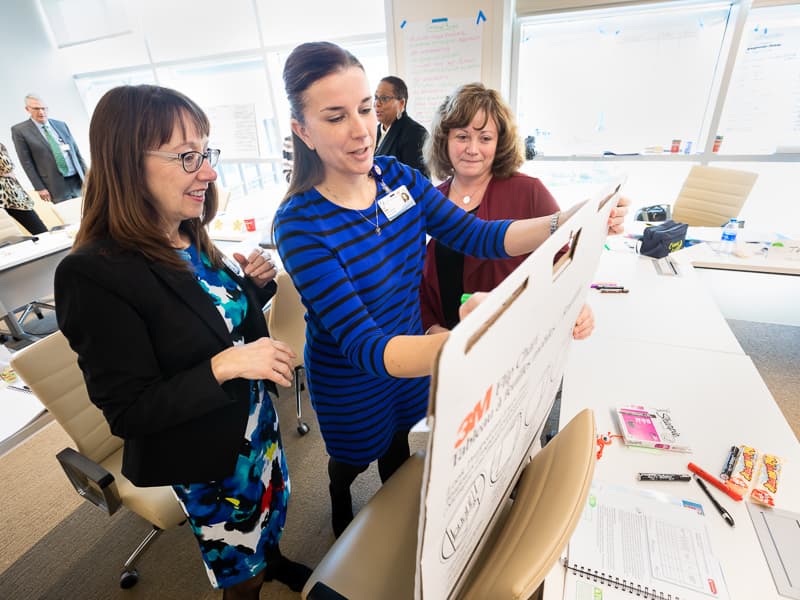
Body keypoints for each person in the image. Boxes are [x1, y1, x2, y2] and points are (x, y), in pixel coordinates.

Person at [274, 42, 627, 537]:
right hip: (355, 374)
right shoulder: (300, 224)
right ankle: (339, 502)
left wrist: (568, 220)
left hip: (413, 355)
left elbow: (479, 235)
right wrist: (483, 334)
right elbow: (363, 346)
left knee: (399, 443)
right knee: (351, 459)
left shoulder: (399, 178)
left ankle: (389, 516)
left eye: (365, 109)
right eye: (335, 117)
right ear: (302, 130)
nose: (360, 131)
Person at [54, 85, 310, 600]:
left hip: (254, 427)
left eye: (206, 152)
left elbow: (207, 324)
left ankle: (274, 559)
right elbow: (130, 411)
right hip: (209, 455)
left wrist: (252, 290)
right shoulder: (95, 274)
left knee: (269, 524)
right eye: (188, 156)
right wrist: (225, 366)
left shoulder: (188, 233)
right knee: (240, 573)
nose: (210, 171)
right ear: (128, 164)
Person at [420, 82, 594, 338]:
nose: (472, 149)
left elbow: (563, 264)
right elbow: (418, 283)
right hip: (447, 345)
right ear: (444, 140)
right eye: (462, 136)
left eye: (485, 138)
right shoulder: (431, 199)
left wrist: (579, 304)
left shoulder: (529, 192)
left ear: (500, 143)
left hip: (516, 341)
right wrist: (430, 330)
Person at [11, 94, 87, 204]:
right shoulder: (20, 130)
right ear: (27, 109)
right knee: (69, 215)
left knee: (88, 212)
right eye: (36, 108)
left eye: (43, 108)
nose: (41, 112)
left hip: (77, 179)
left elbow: (76, 152)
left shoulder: (61, 124)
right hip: (54, 183)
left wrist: (86, 175)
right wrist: (39, 187)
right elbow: (26, 163)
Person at [374, 76, 430, 178]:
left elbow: (419, 183)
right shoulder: (374, 132)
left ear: (401, 103)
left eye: (384, 98)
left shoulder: (415, 133)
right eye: (376, 97)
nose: (377, 104)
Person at [0, 142, 48, 234]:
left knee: (41, 231)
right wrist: (6, 173)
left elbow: (8, 168)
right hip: (7, 196)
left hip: (14, 195)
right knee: (7, 239)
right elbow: (7, 168)